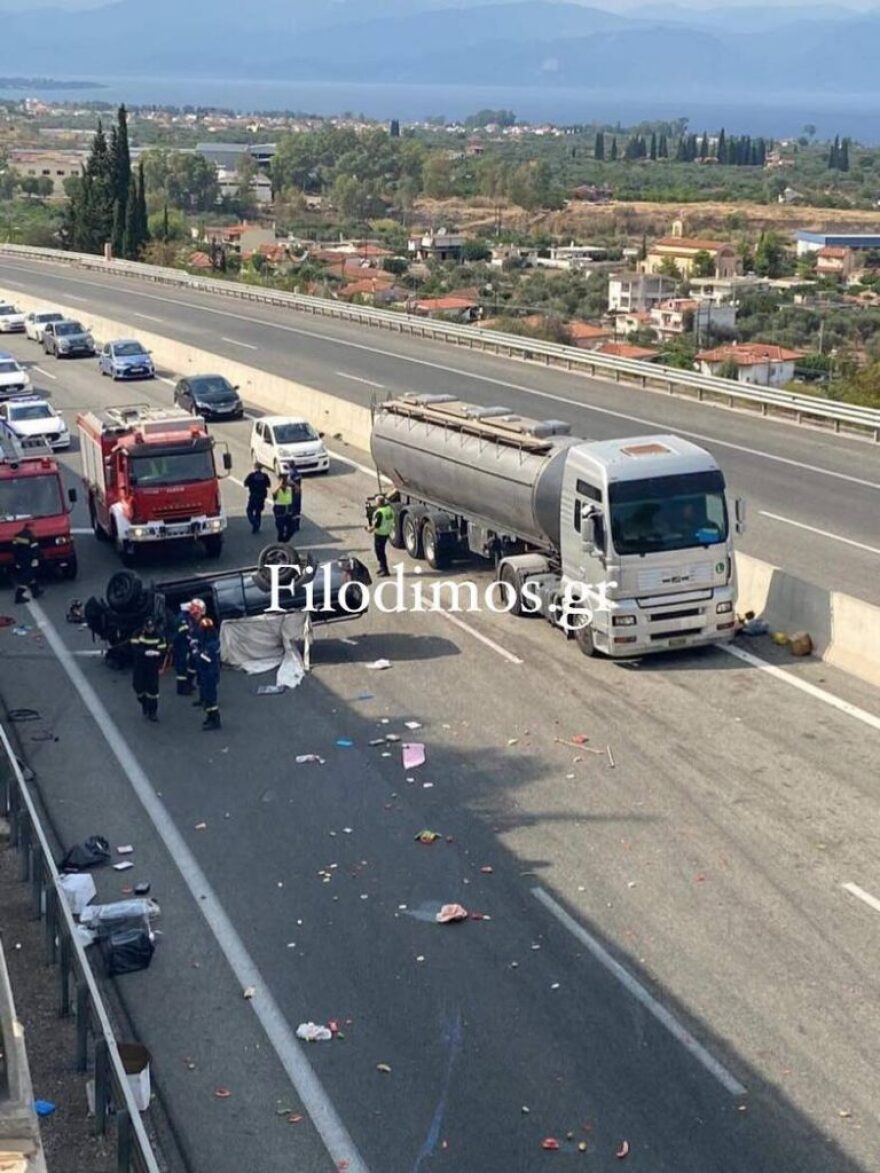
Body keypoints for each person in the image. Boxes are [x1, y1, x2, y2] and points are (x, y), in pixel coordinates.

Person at [130, 615, 167, 722]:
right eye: (148, 627)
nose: (150, 629)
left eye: (152, 627)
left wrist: (158, 656)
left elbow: (163, 650)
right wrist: (144, 652)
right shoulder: (137, 634)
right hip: (140, 665)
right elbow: (134, 648)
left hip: (153, 666)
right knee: (138, 687)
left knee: (153, 689)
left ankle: (152, 712)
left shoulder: (159, 636)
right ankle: (144, 702)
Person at [171, 598, 205, 696]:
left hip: (187, 644)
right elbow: (183, 634)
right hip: (180, 646)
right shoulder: (183, 619)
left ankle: (189, 683)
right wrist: (191, 640)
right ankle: (181, 688)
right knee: (182, 666)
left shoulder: (190, 618)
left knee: (192, 663)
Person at [195, 617, 222, 731]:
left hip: (210, 673)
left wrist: (196, 653)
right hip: (208, 672)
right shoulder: (212, 642)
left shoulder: (211, 645)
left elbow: (205, 658)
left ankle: (215, 720)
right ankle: (210, 717)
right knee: (207, 697)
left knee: (210, 698)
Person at [12, 524, 42, 604]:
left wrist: (16, 561)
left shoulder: (17, 536)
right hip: (29, 560)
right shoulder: (31, 537)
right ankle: (18, 596)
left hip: (21, 560)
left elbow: (14, 549)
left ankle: (36, 591)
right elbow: (35, 549)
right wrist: (35, 559)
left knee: (30, 575)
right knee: (26, 578)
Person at [367, 495, 395, 577]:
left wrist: (369, 529)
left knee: (379, 552)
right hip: (387, 532)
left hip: (380, 533)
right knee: (381, 551)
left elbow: (377, 525)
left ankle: (385, 570)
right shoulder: (389, 509)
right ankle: (382, 567)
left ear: (378, 503)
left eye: (376, 502)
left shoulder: (380, 512)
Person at [272, 472, 301, 543]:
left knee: (292, 529)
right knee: (281, 530)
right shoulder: (277, 489)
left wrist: (292, 483)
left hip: (289, 511)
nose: (284, 484)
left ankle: (284, 542)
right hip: (280, 511)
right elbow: (273, 493)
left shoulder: (289, 489)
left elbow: (298, 489)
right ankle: (280, 542)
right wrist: (279, 485)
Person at [243, 462, 271, 534]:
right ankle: (257, 527)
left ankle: (254, 523)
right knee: (258, 512)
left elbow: (245, 483)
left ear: (255, 467)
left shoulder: (252, 476)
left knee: (249, 510)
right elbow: (268, 485)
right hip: (262, 497)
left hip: (253, 496)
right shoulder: (265, 476)